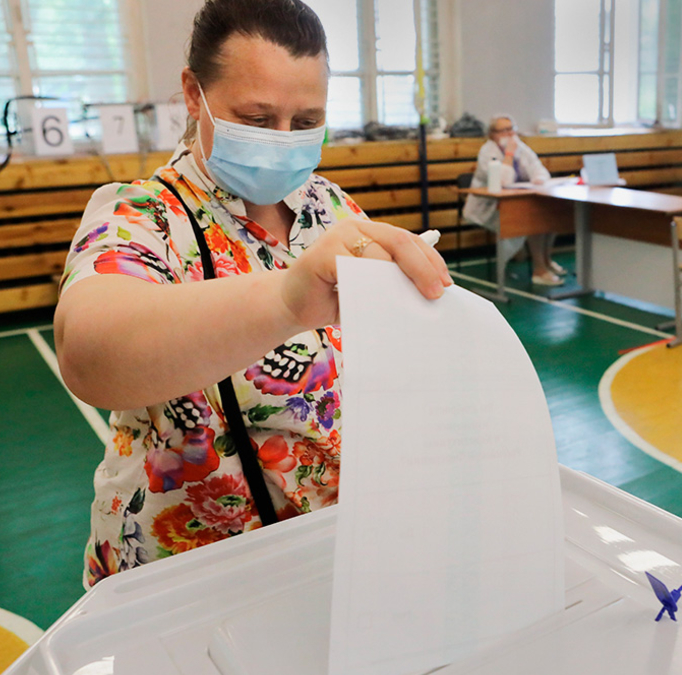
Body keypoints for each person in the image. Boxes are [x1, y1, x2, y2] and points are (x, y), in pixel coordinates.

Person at [54, 0, 452, 587]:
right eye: (257, 119)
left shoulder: (331, 207)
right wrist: (287, 300)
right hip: (191, 572)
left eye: (307, 120)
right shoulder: (144, 214)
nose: (284, 142)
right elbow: (89, 353)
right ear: (194, 94)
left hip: (336, 548)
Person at [462, 115, 565, 286]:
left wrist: (538, 179)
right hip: (488, 205)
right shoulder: (487, 152)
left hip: (516, 200)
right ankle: (539, 270)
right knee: (533, 221)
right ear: (493, 134)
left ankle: (546, 260)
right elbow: (503, 181)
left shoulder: (520, 147)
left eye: (511, 129)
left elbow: (539, 170)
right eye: (504, 130)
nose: (510, 134)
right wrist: (509, 154)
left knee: (548, 216)